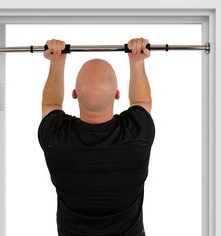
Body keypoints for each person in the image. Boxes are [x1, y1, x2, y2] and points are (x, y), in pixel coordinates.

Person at [38, 38, 155, 236]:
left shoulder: (56, 138)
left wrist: (57, 62)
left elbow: (50, 104)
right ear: (117, 94)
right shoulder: (137, 134)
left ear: (74, 94)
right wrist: (137, 61)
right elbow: (141, 100)